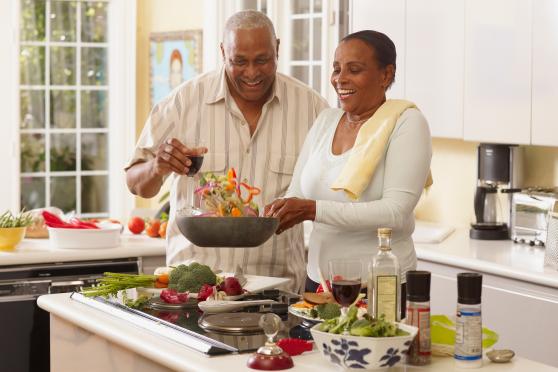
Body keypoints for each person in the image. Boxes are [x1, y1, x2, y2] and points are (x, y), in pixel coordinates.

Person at [125, 10, 328, 293]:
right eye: (239, 61)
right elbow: (136, 184)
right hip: (193, 289)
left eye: (262, 60)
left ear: (277, 49)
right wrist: (157, 166)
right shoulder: (183, 102)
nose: (252, 72)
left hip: (277, 289)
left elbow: (336, 195)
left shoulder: (313, 109)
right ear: (223, 52)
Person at [265, 30, 432, 317]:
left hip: (378, 286)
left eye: (354, 70)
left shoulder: (406, 123)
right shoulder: (326, 120)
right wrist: (271, 214)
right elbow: (298, 193)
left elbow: (395, 212)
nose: (340, 79)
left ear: (385, 75)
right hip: (318, 283)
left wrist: (312, 210)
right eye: (336, 69)